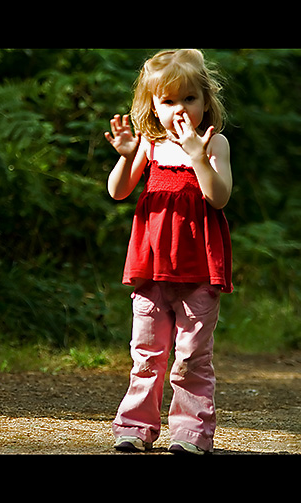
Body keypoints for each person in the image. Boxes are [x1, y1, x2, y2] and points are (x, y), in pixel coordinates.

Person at [104, 49, 233, 455]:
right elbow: (118, 191)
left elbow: (219, 198)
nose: (180, 109)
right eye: (168, 100)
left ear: (205, 102)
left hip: (198, 267)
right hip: (152, 264)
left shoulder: (214, 144)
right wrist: (126, 159)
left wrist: (198, 156)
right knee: (146, 352)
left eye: (189, 99)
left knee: (191, 356)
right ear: (153, 106)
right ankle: (135, 427)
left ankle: (190, 434)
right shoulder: (149, 143)